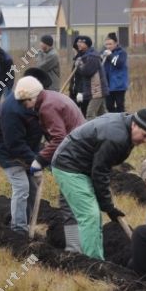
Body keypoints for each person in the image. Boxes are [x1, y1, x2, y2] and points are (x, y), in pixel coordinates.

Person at [50, 108, 146, 260]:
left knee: (75, 210)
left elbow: (100, 168)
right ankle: (94, 265)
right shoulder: (116, 138)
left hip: (78, 162)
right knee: (90, 215)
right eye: (145, 135)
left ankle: (74, 253)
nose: (145, 140)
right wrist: (108, 207)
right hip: (70, 165)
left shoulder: (124, 124)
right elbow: (100, 172)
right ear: (135, 125)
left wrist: (107, 206)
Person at [18, 67, 86, 249]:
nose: (25, 106)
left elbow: (59, 138)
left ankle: (75, 250)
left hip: (77, 153)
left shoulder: (47, 107)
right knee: (75, 201)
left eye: (25, 102)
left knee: (69, 201)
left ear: (32, 97)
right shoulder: (50, 97)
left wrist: (40, 160)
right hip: (80, 149)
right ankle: (80, 247)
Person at [0, 74, 44, 235]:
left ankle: (28, 224)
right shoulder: (11, 111)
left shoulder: (34, 103)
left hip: (27, 149)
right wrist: (35, 161)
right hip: (7, 152)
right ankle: (18, 230)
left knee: (33, 189)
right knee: (22, 186)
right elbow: (14, 145)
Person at [69, 35, 106, 119]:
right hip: (92, 90)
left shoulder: (92, 57)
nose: (79, 44)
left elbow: (87, 72)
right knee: (102, 114)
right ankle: (108, 128)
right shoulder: (83, 56)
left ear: (87, 45)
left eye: (82, 42)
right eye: (78, 42)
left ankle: (90, 131)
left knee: (90, 114)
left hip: (97, 90)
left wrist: (79, 64)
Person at [102, 32, 129, 112]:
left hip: (119, 85)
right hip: (107, 85)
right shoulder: (104, 53)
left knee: (120, 105)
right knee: (109, 105)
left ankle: (122, 120)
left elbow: (118, 64)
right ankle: (113, 120)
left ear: (116, 43)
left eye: (110, 44)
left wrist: (110, 56)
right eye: (106, 44)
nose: (108, 46)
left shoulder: (122, 53)